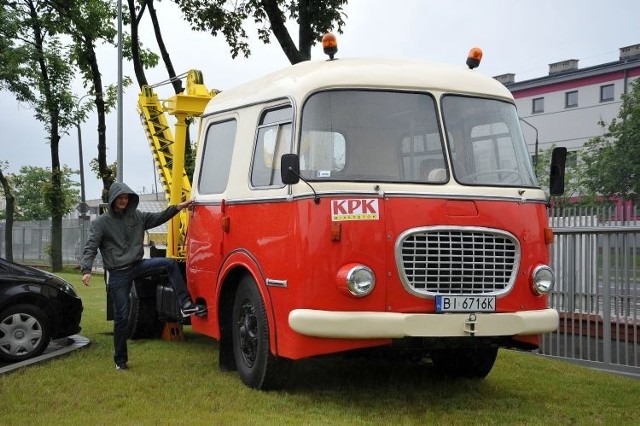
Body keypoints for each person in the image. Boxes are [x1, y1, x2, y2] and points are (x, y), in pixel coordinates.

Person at [80, 182, 202, 371]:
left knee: (169, 264)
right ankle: (120, 360)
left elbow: (159, 217)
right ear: (113, 199)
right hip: (119, 273)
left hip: (138, 266)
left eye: (126, 198)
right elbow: (91, 247)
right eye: (120, 198)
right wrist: (86, 270)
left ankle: (185, 305)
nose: (123, 201)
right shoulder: (101, 223)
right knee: (121, 317)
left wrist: (179, 207)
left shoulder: (137, 217)